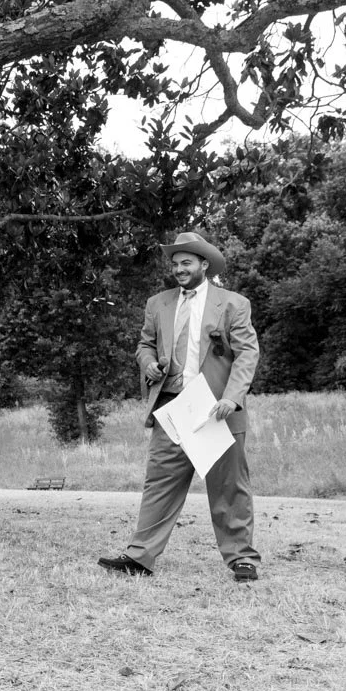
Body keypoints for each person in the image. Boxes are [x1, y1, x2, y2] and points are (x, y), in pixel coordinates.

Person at [98, 232, 263, 583]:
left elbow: (247, 353)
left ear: (204, 264)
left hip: (217, 409)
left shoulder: (234, 304)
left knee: (229, 486)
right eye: (175, 264)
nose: (179, 269)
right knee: (159, 483)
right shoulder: (157, 303)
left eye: (186, 262)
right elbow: (144, 345)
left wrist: (232, 397)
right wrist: (148, 363)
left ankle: (242, 559)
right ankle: (139, 556)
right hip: (172, 406)